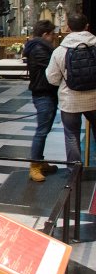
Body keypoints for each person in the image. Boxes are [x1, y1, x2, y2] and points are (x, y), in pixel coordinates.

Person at [45, 12, 96, 170]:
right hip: (94, 99)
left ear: (68, 28)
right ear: (87, 26)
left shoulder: (60, 51)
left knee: (71, 135)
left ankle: (75, 171)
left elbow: (52, 78)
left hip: (70, 101)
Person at [23, 19, 59, 182]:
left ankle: (39, 160)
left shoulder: (40, 47)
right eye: (52, 35)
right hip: (43, 93)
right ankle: (34, 166)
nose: (54, 38)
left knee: (45, 129)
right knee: (42, 131)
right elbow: (53, 69)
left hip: (47, 92)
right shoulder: (39, 49)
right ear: (45, 34)